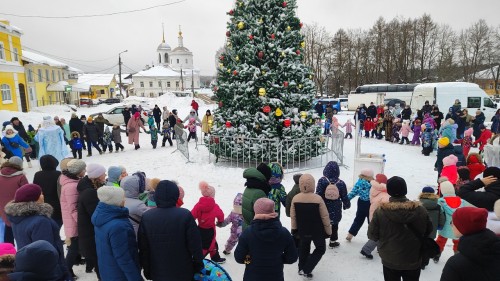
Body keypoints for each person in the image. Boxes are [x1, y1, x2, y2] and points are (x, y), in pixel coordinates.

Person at [368, 176, 432, 281]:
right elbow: (429, 230)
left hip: (390, 259)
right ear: (405, 190)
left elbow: (372, 235)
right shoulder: (421, 210)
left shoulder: (381, 212)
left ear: (388, 191)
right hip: (413, 258)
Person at [138, 180, 204, 280]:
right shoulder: (184, 215)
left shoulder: (147, 217)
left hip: (158, 270)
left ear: (156, 196)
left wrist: (147, 268)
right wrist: (198, 263)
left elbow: (143, 247)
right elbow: (195, 243)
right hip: (183, 270)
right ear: (176, 195)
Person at [5, 184, 70, 279]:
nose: (43, 195)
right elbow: (46, 252)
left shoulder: (17, 217)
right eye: (40, 194)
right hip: (49, 270)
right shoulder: (40, 221)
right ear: (34, 199)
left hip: (29, 265)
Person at [235, 198, 298, 281]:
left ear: (256, 211)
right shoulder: (284, 232)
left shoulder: (248, 233)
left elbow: (239, 257)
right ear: (273, 211)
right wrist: (277, 259)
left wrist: (251, 259)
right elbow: (292, 257)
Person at [92, 186, 143, 281]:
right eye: (122, 197)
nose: (125, 200)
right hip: (120, 275)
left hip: (108, 270)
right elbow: (124, 257)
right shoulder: (118, 226)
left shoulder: (101, 216)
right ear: (115, 201)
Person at [440, 207, 500, 281]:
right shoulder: (496, 251)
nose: (451, 225)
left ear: (463, 227)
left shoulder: (456, 264)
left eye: (453, 222)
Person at [291, 174, 330, 278]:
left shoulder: (295, 199)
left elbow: (293, 217)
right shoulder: (318, 199)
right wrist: (328, 231)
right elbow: (325, 216)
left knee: (304, 248)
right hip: (317, 231)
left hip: (302, 230)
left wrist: (294, 229)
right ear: (313, 184)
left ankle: (301, 268)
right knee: (321, 248)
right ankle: (307, 268)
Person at [77, 163, 106, 279]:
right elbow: (97, 216)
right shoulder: (90, 193)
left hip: (92, 235)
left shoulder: (89, 188)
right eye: (103, 173)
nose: (105, 175)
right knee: (101, 266)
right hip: (91, 237)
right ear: (97, 176)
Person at [59, 159, 86, 279]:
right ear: (78, 171)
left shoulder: (74, 182)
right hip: (74, 222)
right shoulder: (71, 187)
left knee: (74, 247)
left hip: (73, 220)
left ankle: (67, 269)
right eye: (83, 169)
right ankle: (66, 270)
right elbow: (73, 208)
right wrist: (81, 223)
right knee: (73, 248)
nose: (85, 171)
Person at [316, 161, 350, 248]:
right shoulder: (341, 183)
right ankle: (333, 241)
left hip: (324, 206)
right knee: (335, 225)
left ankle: (320, 241)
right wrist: (347, 205)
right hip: (336, 207)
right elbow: (344, 196)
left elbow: (318, 194)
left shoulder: (322, 181)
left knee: (322, 223)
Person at [191, 181, 225, 263]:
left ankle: (215, 257)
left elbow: (191, 216)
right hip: (210, 230)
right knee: (206, 246)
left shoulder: (198, 205)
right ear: (213, 195)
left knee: (212, 243)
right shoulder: (215, 206)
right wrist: (220, 221)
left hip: (200, 228)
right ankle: (197, 260)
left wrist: (191, 225)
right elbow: (221, 214)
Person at [360, 174, 389, 259]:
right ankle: (366, 250)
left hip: (373, 213)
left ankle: (380, 249)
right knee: (379, 234)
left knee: (379, 233)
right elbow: (386, 206)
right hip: (380, 216)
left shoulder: (374, 189)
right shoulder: (384, 194)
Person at [0, 157, 28, 244]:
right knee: (22, 237)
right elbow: (27, 193)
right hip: (18, 211)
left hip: (2, 210)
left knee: (7, 235)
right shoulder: (21, 177)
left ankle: (8, 254)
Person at [418, 187, 445, 269]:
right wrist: (440, 226)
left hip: (418, 230)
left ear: (422, 193)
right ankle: (424, 263)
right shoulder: (437, 206)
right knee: (427, 246)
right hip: (431, 231)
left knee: (417, 245)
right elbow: (442, 218)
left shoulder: (417, 204)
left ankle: (416, 261)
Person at [33, 155, 62, 227]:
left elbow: (36, 189)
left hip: (43, 204)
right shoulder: (58, 174)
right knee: (57, 225)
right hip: (57, 204)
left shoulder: (37, 175)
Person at [346, 169, 374, 242]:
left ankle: (350, 234)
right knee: (371, 221)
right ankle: (373, 239)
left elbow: (354, 192)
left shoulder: (359, 182)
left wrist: (346, 199)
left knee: (358, 219)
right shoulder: (373, 183)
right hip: (371, 204)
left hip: (361, 203)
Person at [242, 164, 272, 228]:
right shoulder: (259, 193)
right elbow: (263, 217)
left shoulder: (250, 186)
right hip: (256, 230)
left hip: (248, 228)